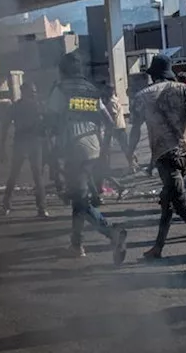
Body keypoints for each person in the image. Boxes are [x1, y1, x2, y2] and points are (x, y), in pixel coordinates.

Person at [129, 56, 186, 268]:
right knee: (168, 198)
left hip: (165, 155)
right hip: (185, 154)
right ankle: (158, 248)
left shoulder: (142, 96)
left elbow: (135, 130)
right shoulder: (182, 89)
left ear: (152, 74)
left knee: (180, 203)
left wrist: (129, 153)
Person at [48, 53, 128, 263]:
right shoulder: (92, 91)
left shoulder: (61, 89)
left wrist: (53, 154)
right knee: (78, 197)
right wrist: (103, 148)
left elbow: (51, 122)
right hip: (93, 149)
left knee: (80, 199)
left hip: (73, 150)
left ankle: (111, 233)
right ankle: (76, 244)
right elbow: (109, 122)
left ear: (63, 70)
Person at [1, 82, 49, 217]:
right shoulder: (34, 106)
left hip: (29, 143)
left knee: (28, 175)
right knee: (25, 175)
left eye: (34, 91)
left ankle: (8, 204)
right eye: (32, 91)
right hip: (26, 143)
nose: (34, 93)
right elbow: (45, 125)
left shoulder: (19, 106)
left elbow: (45, 125)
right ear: (24, 91)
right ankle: (40, 208)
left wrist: (2, 143)